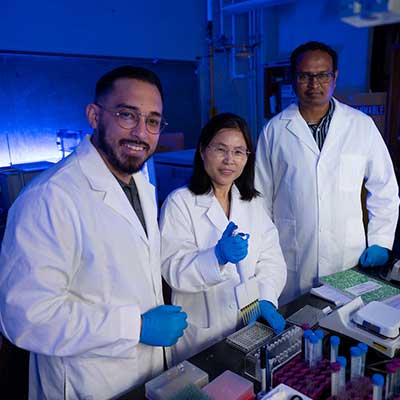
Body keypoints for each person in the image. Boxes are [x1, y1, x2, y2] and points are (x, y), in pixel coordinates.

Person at [0, 66, 188, 399]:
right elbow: (26, 317)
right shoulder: (50, 198)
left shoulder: (142, 185)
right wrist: (137, 327)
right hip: (87, 382)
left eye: (153, 121)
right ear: (94, 115)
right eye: (127, 115)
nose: (141, 133)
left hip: (145, 372)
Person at [255, 41, 399, 305]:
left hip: (348, 257)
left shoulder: (360, 126)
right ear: (293, 77)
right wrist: (265, 256)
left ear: (335, 77)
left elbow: (385, 188)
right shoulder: (274, 131)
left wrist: (380, 240)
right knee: (298, 327)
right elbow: (260, 199)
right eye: (305, 76)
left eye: (322, 75)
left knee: (347, 328)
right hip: (292, 257)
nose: (314, 84)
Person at [160, 113, 287, 364]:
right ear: (202, 150)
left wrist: (265, 298)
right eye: (221, 149)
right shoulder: (180, 203)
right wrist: (215, 258)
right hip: (201, 336)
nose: (230, 160)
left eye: (239, 152)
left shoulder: (252, 202)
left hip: (249, 324)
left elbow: (271, 259)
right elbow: (172, 270)